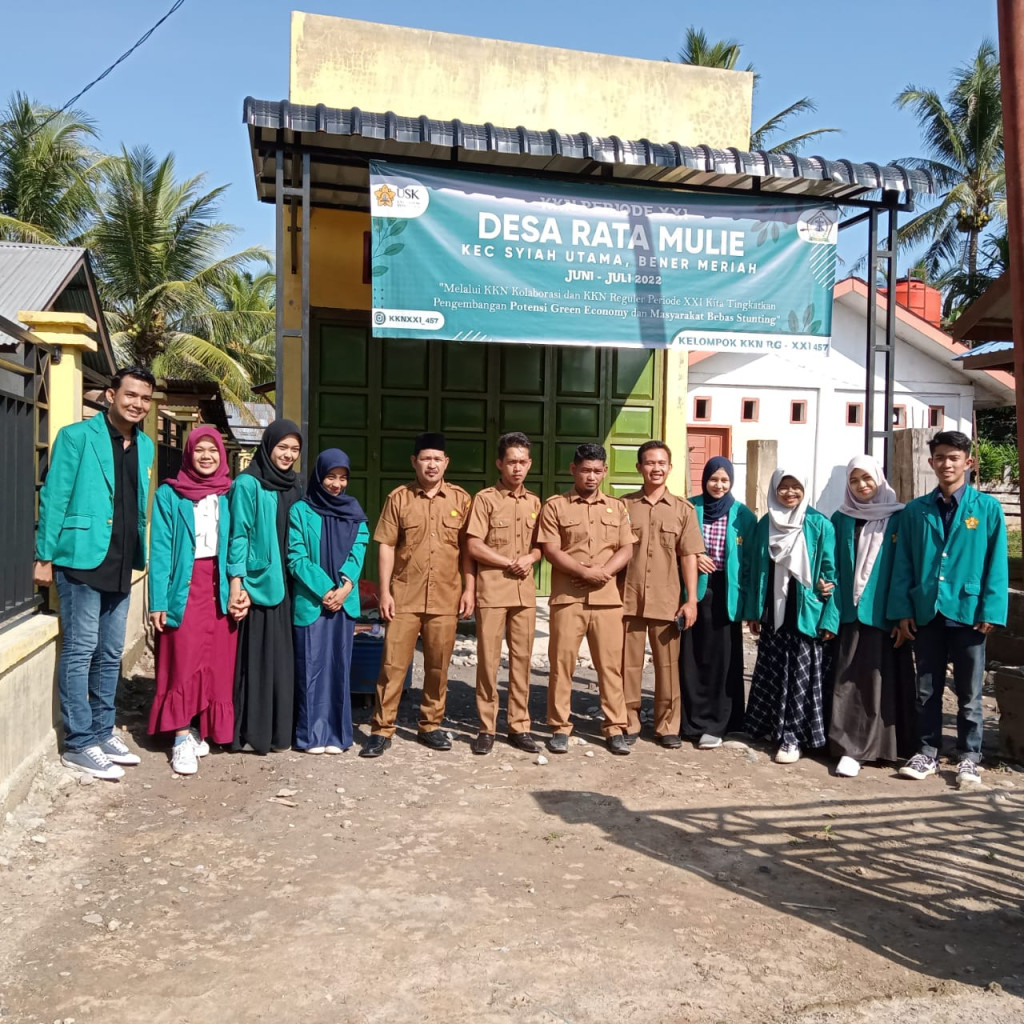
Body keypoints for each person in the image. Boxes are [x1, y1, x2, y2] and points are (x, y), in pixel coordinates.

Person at [34, 366, 156, 780]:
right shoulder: (76, 437)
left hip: (122, 558)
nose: (137, 404)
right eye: (131, 395)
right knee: (81, 648)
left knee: (109, 653)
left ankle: (103, 731)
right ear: (110, 394)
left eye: (144, 398)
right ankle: (79, 742)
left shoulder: (146, 446)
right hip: (81, 558)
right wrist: (45, 555)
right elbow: (55, 497)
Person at [889, 430, 1008, 787]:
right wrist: (902, 609)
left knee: (970, 692)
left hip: (968, 610)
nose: (946, 464)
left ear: (968, 463)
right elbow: (903, 564)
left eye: (954, 458)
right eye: (940, 457)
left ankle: (970, 756)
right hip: (927, 610)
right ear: (931, 463)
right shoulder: (915, 511)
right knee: (927, 688)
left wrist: (991, 608)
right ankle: (927, 752)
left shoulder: (986, 509)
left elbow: (996, 563)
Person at [360, 432, 474, 758]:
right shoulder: (399, 499)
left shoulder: (460, 500)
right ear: (415, 462)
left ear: (446, 463)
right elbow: (386, 546)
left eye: (438, 459)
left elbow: (468, 549)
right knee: (393, 665)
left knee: (438, 666)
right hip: (405, 596)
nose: (432, 464)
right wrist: (384, 593)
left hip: (446, 597)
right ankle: (382, 729)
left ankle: (430, 725)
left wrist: (469, 588)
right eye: (426, 458)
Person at [148, 426, 245, 775]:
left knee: (216, 661)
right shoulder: (169, 496)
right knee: (183, 659)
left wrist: (238, 584)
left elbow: (237, 541)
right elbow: (159, 550)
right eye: (200, 450)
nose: (207, 456)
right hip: (183, 589)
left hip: (218, 587)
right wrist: (158, 601)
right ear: (189, 454)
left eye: (213, 451)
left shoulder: (229, 494)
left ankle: (202, 728)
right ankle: (179, 736)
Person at [536, 443, 634, 756]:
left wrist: (603, 572)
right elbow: (551, 549)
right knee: (561, 665)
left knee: (609, 667)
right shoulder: (555, 506)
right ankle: (559, 727)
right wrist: (582, 571)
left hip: (606, 600)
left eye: (597, 470)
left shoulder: (617, 508)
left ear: (605, 471)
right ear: (573, 470)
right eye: (585, 470)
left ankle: (615, 726)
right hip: (568, 599)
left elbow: (626, 548)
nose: (591, 476)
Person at [828, 456, 914, 778]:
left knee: (884, 681)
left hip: (886, 614)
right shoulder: (841, 517)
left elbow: (907, 566)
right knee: (849, 680)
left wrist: (903, 612)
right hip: (849, 612)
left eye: (867, 478)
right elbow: (831, 560)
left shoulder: (900, 517)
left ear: (879, 478)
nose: (862, 486)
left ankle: (888, 749)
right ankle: (851, 749)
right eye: (854, 480)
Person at [744, 468, 838, 764]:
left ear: (805, 489)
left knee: (800, 675)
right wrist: (753, 611)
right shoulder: (764, 525)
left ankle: (793, 737)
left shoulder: (818, 524)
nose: (789, 493)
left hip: (805, 612)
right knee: (773, 670)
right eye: (783, 487)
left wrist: (829, 617)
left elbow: (831, 573)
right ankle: (772, 729)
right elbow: (753, 570)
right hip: (773, 610)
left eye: (796, 487)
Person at [620, 441, 704, 749]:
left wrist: (691, 599)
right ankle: (628, 721)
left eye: (662, 463)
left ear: (670, 468)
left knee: (667, 666)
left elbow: (689, 556)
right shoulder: (623, 506)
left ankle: (667, 725)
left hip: (667, 601)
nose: (656, 468)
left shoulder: (683, 510)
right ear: (639, 467)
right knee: (627, 665)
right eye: (649, 463)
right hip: (627, 598)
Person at [228, 420, 303, 755]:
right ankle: (252, 731)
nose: (287, 455)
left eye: (294, 449)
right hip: (259, 585)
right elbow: (238, 535)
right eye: (282, 447)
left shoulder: (295, 485)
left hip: (290, 584)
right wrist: (237, 582)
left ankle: (279, 732)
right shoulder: (248, 484)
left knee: (282, 661)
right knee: (256, 660)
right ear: (268, 446)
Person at [464, 432, 543, 754]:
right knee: (488, 661)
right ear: (500, 463)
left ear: (530, 464)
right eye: (511, 462)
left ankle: (519, 725)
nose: (517, 468)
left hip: (524, 594)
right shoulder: (485, 499)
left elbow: (541, 546)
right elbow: (473, 544)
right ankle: (487, 727)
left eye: (523, 462)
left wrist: (530, 557)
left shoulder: (535, 502)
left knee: (522, 660)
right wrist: (508, 561)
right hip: (493, 591)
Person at [288, 449, 369, 754]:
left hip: (344, 602)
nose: (337, 484)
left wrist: (346, 586)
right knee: (310, 667)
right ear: (319, 477)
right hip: (312, 602)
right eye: (330, 477)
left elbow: (359, 549)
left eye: (342, 477)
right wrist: (326, 591)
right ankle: (310, 736)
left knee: (338, 666)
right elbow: (296, 557)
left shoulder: (355, 512)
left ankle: (337, 735)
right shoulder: (301, 511)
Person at [680, 456, 757, 749]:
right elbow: (677, 544)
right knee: (692, 656)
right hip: (694, 590)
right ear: (705, 479)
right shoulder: (690, 507)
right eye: (714, 479)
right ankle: (690, 720)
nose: (719, 485)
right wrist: (694, 556)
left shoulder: (743, 516)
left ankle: (719, 723)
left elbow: (750, 562)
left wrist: (750, 607)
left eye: (725, 480)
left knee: (723, 659)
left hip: (727, 593)